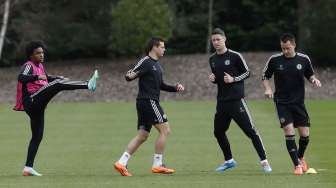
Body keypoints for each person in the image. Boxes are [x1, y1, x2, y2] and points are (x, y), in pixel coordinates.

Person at [14, 40, 99, 176]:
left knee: (37, 137)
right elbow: (21, 77)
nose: (41, 55)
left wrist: (55, 77)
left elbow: (45, 79)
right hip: (31, 100)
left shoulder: (40, 65)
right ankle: (88, 84)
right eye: (38, 53)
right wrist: (45, 78)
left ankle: (28, 168)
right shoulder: (29, 65)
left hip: (36, 105)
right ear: (30, 55)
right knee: (58, 84)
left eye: (42, 52)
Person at [114, 37, 184, 176]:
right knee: (165, 130)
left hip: (146, 102)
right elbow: (130, 75)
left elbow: (161, 85)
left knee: (143, 135)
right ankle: (158, 164)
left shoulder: (157, 65)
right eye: (162, 47)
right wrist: (129, 76)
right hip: (148, 101)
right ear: (154, 47)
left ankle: (121, 162)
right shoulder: (146, 61)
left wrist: (175, 88)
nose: (164, 49)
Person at [208, 28, 272, 173]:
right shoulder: (212, 59)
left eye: (218, 39)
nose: (216, 42)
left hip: (236, 101)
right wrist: (213, 79)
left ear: (225, 39)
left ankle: (264, 162)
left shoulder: (235, 56)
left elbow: (248, 72)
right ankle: (229, 161)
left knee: (251, 132)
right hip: (222, 102)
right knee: (218, 132)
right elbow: (219, 79)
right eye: (214, 40)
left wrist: (234, 79)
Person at [262, 33, 322, 175]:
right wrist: (268, 88)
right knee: (289, 132)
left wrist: (314, 80)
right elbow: (265, 76)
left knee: (305, 135)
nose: (285, 51)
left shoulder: (304, 59)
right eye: (283, 48)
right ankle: (297, 166)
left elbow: (309, 74)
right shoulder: (274, 60)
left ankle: (300, 157)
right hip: (282, 103)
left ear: (294, 45)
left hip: (298, 103)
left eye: (288, 48)